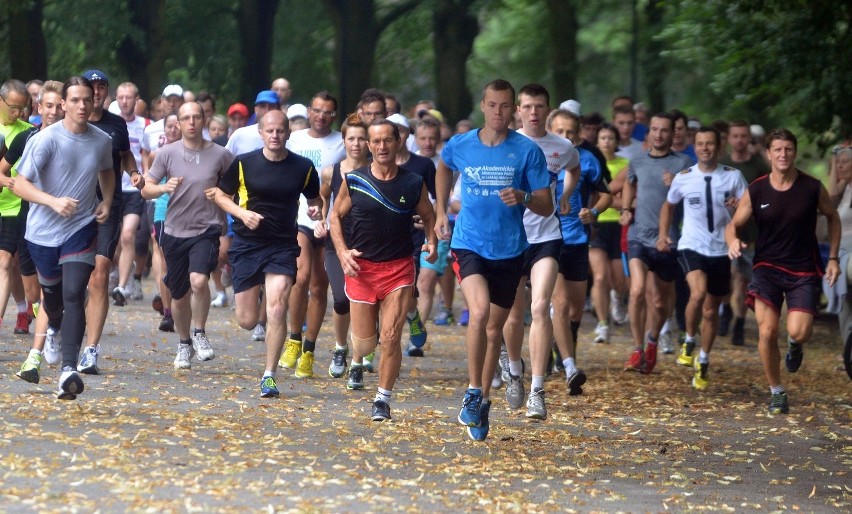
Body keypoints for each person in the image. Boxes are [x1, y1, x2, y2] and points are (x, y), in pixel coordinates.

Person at [434, 79, 552, 441]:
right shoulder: (462, 144)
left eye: (505, 106)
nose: (498, 112)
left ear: (514, 109)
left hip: (511, 250)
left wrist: (525, 196)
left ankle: (482, 399)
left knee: (492, 331)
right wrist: (440, 211)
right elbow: (443, 166)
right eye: (492, 105)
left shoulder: (527, 151)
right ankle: (472, 390)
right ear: (482, 107)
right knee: (480, 313)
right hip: (469, 243)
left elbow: (546, 204)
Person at [12, 75, 114, 399]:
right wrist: (52, 201)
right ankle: (53, 328)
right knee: (51, 299)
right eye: (75, 100)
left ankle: (68, 369)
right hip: (42, 232)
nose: (83, 105)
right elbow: (20, 183)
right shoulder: (45, 140)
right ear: (63, 105)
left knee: (74, 292)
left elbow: (107, 171)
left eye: (87, 99)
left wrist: (107, 200)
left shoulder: (101, 140)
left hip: (81, 225)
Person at [726, 128, 840, 414]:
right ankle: (776, 391)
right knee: (766, 332)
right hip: (766, 268)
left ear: (795, 152)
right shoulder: (758, 188)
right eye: (777, 149)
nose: (783, 154)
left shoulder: (812, 187)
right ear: (768, 154)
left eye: (788, 149)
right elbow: (734, 224)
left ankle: (794, 344)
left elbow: (833, 217)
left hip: (803, 268)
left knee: (799, 332)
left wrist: (834, 258)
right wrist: (732, 241)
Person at [330, 119, 437, 421]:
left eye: (386, 140)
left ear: (397, 142)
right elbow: (336, 216)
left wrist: (431, 241)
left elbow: (429, 215)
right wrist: (341, 251)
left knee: (390, 337)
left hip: (399, 269)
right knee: (364, 346)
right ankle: (365, 341)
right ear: (367, 145)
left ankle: (382, 399)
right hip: (362, 270)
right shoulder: (355, 179)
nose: (380, 147)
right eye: (374, 141)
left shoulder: (413, 181)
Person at [212, 110, 320, 397]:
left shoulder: (303, 167)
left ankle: (269, 375)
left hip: (282, 244)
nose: (275, 136)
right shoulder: (244, 163)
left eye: (280, 131)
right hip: (248, 244)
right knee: (247, 321)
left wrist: (316, 209)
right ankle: (255, 295)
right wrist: (241, 214)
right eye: (270, 131)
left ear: (288, 133)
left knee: (277, 307)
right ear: (260, 132)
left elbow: (315, 199)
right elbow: (221, 195)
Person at [501, 84, 580, 420]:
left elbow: (573, 168)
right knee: (513, 315)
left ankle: (537, 390)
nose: (534, 113)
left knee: (541, 306)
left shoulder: (562, 147)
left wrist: (566, 194)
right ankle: (515, 371)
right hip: (510, 238)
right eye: (528, 106)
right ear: (518, 110)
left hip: (547, 236)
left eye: (540, 107)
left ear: (549, 110)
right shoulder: (505, 143)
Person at [142, 102, 235, 370]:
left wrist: (225, 199)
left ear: (204, 120)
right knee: (179, 293)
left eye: (196, 117)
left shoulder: (221, 154)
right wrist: (162, 189)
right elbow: (146, 189)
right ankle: (184, 344)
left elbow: (235, 187)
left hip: (207, 228)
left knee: (198, 280)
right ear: (178, 124)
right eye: (186, 118)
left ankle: (200, 333)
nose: (191, 122)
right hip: (174, 230)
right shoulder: (166, 154)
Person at [658, 127, 747, 389]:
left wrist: (738, 207)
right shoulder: (684, 177)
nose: (705, 148)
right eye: (700, 144)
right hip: (691, 245)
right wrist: (664, 234)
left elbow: (749, 207)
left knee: (711, 310)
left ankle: (704, 358)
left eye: (710, 144)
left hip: (721, 250)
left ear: (718, 147)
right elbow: (668, 204)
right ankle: (688, 339)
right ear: (694, 147)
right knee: (697, 294)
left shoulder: (733, 177)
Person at [619, 113, 693, 374]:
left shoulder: (683, 163)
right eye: (654, 129)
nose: (659, 134)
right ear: (648, 132)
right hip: (638, 234)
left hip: (667, 240)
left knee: (661, 303)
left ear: (673, 134)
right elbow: (629, 184)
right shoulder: (637, 160)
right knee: (637, 290)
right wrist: (626, 208)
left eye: (664, 130)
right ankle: (637, 349)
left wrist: (678, 185)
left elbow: (692, 199)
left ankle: (652, 341)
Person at [282, 91, 346, 377]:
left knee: (320, 287)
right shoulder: (294, 140)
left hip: (329, 219)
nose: (321, 116)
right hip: (300, 217)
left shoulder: (342, 143)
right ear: (309, 111)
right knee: (301, 276)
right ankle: (293, 338)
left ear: (334, 116)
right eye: (317, 110)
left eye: (328, 112)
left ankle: (309, 348)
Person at [79, 69, 137, 375]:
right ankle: (58, 328)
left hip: (108, 204)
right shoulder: (73, 123)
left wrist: (135, 172)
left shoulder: (117, 125)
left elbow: (125, 157)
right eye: (92, 87)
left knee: (99, 274)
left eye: (102, 87)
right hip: (74, 206)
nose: (97, 92)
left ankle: (91, 349)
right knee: (72, 277)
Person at [8, 79, 65, 384]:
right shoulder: (26, 139)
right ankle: (54, 323)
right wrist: (12, 184)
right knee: (34, 294)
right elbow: (5, 172)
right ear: (39, 108)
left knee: (50, 292)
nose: (55, 112)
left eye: (59, 106)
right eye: (49, 106)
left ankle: (38, 351)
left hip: (65, 226)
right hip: (30, 222)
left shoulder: (74, 138)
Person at [313, 114, 369, 379]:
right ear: (343, 140)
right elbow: (324, 197)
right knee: (342, 298)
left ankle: (357, 362)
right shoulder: (331, 171)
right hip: (336, 242)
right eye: (351, 138)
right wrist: (321, 220)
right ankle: (340, 347)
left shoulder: (375, 170)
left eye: (361, 139)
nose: (356, 144)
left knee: (362, 302)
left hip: (368, 244)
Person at [718, 120, 770, 345]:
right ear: (728, 139)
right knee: (726, 278)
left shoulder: (759, 166)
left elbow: (770, 196)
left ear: (750, 139)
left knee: (741, 280)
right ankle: (726, 309)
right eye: (735, 136)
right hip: (724, 231)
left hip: (751, 233)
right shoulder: (722, 164)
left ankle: (738, 326)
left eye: (743, 136)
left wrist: (747, 203)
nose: (739, 140)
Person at [0, 79, 37, 335]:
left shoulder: (29, 133)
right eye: (13, 107)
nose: (18, 113)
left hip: (16, 207)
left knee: (6, 263)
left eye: (23, 108)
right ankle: (23, 308)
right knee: (7, 265)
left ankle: (19, 313)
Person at [113, 81, 150, 303]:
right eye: (121, 97)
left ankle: (121, 286)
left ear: (137, 101)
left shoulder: (146, 126)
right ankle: (118, 271)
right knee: (116, 241)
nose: (125, 101)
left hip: (134, 189)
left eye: (129, 97)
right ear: (116, 100)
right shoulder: (110, 122)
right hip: (112, 187)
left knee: (128, 235)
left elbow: (148, 155)